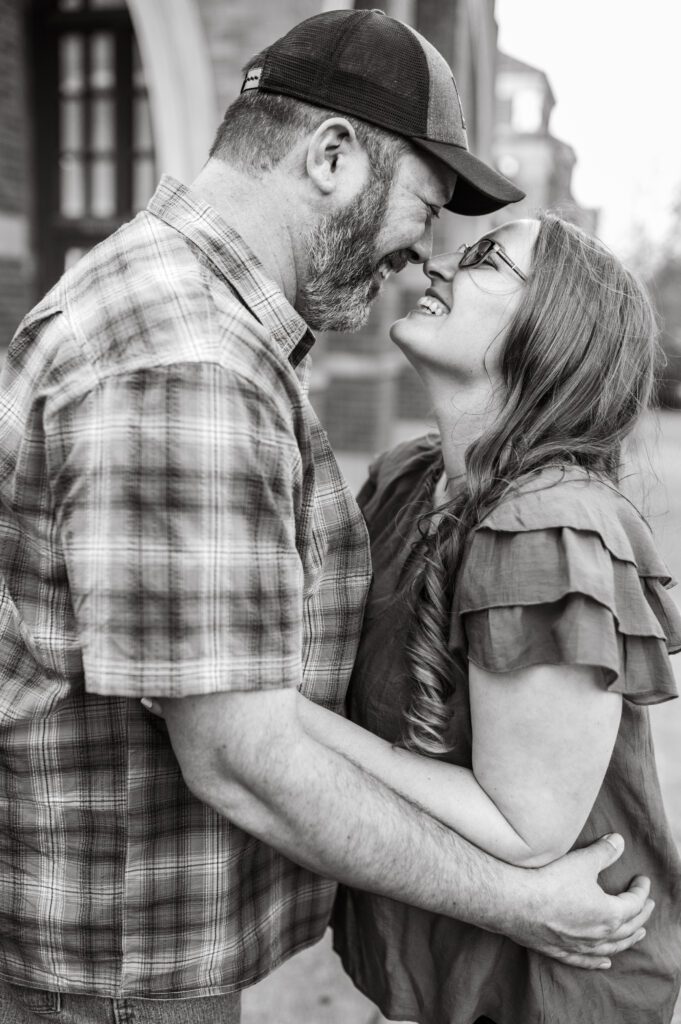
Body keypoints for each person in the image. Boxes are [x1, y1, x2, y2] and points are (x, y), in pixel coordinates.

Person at [0, 9, 652, 1023]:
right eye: (424, 209)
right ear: (334, 156)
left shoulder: (207, 332)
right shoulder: (190, 365)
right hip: (118, 963)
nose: (420, 255)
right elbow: (242, 756)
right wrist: (520, 903)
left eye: (471, 251)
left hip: (130, 946)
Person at [293, 214, 681, 1024]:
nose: (435, 264)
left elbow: (526, 828)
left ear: (550, 333)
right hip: (439, 967)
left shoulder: (550, 526)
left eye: (483, 259)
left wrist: (277, 718)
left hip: (546, 992)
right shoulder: (407, 478)